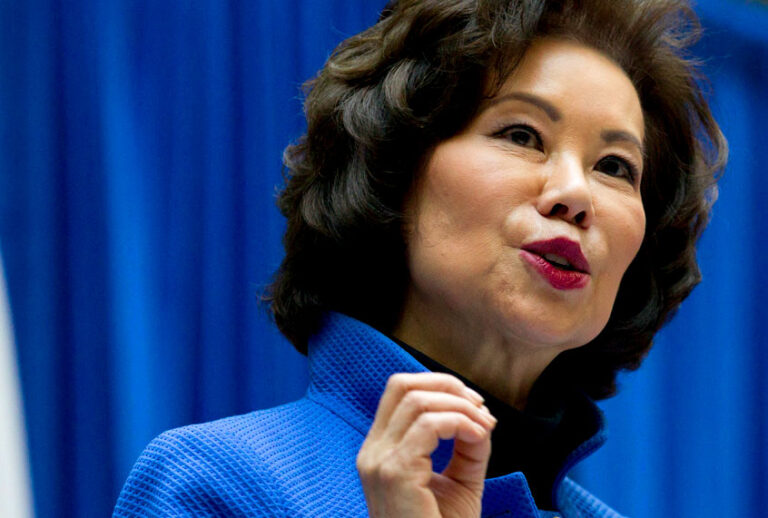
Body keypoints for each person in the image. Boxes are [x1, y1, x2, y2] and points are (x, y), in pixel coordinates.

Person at [114, 0, 727, 516]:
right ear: (394, 170)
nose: (575, 194)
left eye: (616, 167)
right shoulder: (217, 485)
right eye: (521, 135)